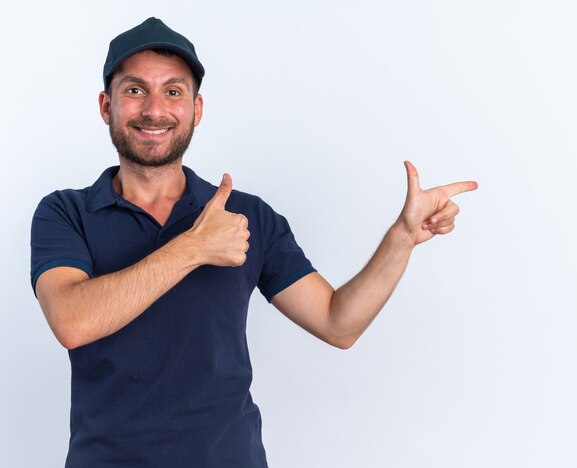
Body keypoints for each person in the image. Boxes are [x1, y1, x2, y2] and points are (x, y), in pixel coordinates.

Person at [30, 17, 478, 468]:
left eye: (173, 91)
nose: (154, 109)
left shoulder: (248, 217)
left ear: (196, 109)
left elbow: (338, 324)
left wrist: (401, 237)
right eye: (134, 90)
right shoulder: (66, 212)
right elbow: (72, 322)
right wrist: (194, 247)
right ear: (106, 106)